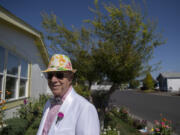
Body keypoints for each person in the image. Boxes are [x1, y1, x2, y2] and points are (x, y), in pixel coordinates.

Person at [37, 54, 100, 135]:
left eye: (59, 75)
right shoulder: (48, 104)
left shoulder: (85, 108)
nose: (53, 80)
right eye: (50, 75)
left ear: (70, 78)